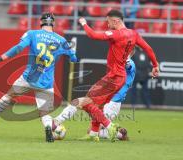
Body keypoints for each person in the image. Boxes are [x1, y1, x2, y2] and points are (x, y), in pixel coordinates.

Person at [55, 10, 159, 142]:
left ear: (116, 21)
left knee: (85, 102)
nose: (107, 25)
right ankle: (94, 133)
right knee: (97, 106)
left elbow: (93, 35)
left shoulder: (116, 35)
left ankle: (110, 127)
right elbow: (148, 48)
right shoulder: (134, 34)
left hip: (114, 77)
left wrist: (84, 23)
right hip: (118, 78)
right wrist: (155, 65)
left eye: (108, 21)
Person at [0, 12, 77, 143]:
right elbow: (73, 58)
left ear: (41, 22)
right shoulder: (61, 40)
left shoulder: (32, 34)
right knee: (44, 112)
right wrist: (71, 51)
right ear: (53, 24)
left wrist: (0, 58)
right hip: (46, 82)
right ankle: (48, 128)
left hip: (29, 78)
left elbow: (19, 47)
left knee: (9, 96)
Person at [54, 59, 136, 141]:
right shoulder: (117, 63)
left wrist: (122, 60)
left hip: (113, 102)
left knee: (92, 131)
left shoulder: (128, 62)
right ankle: (56, 122)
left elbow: (128, 66)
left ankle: (119, 134)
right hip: (105, 98)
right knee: (77, 102)